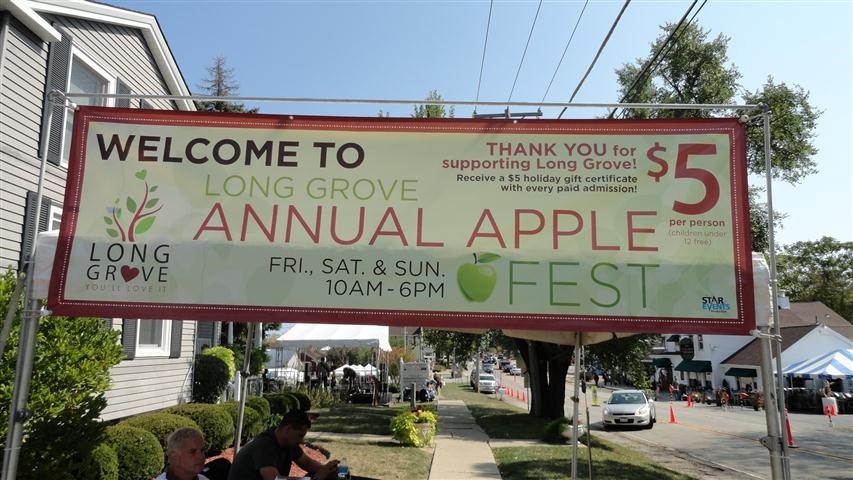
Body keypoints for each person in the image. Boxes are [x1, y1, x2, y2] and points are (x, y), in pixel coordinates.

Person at [228, 410, 339, 480]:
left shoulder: (289, 442)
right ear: (288, 429)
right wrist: (316, 478)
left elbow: (307, 463)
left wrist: (327, 470)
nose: (302, 440)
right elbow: (275, 479)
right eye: (300, 435)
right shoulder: (265, 445)